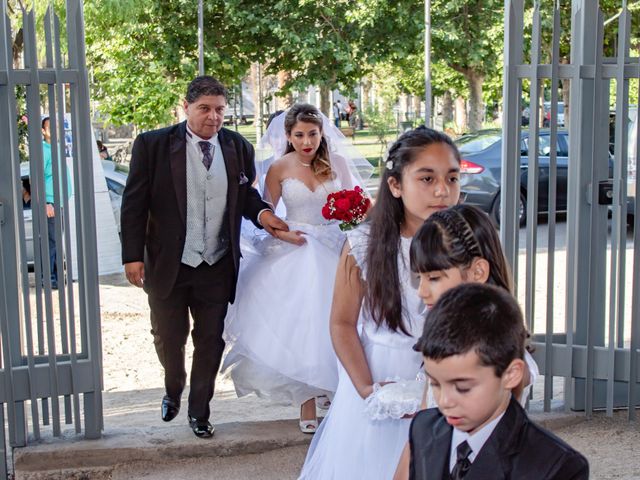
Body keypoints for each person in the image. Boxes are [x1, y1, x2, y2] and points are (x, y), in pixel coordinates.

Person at [120, 76, 288, 438]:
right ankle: (173, 384)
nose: (213, 117)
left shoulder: (238, 147)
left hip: (217, 262)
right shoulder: (153, 145)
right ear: (186, 107)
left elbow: (245, 198)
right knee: (169, 335)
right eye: (205, 109)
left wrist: (264, 215)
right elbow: (134, 203)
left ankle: (200, 410)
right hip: (168, 262)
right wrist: (132, 256)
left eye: (219, 110)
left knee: (211, 339)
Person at [299, 126, 462, 479]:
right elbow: (342, 323)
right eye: (427, 178)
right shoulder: (364, 245)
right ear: (395, 185)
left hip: (450, 381)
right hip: (381, 376)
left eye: (452, 178)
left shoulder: (467, 243)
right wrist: (367, 390)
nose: (442, 190)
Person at [222, 104, 373, 433]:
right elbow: (265, 213)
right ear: (289, 136)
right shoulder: (278, 168)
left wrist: (355, 216)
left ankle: (335, 393)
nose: (307, 141)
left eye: (313, 134)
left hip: (336, 248)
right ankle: (306, 400)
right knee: (304, 324)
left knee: (339, 320)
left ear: (322, 133)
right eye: (300, 135)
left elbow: (359, 203)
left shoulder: (339, 164)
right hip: (297, 248)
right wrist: (282, 232)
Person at [393, 204, 540, 479]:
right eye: (419, 278)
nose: (422, 291)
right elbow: (418, 445)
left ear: (477, 271)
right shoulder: (446, 346)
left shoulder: (504, 363)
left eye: (434, 278)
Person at [408, 284, 589, 479]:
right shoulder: (424, 428)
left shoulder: (556, 466)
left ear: (511, 374)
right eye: (435, 383)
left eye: (462, 388)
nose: (444, 401)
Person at [41, 116, 72, 290]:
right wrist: (46, 203)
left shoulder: (57, 148)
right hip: (51, 202)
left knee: (56, 241)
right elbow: (37, 178)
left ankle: (58, 277)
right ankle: (51, 278)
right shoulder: (44, 150)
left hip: (60, 201)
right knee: (52, 242)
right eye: (50, 127)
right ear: (43, 131)